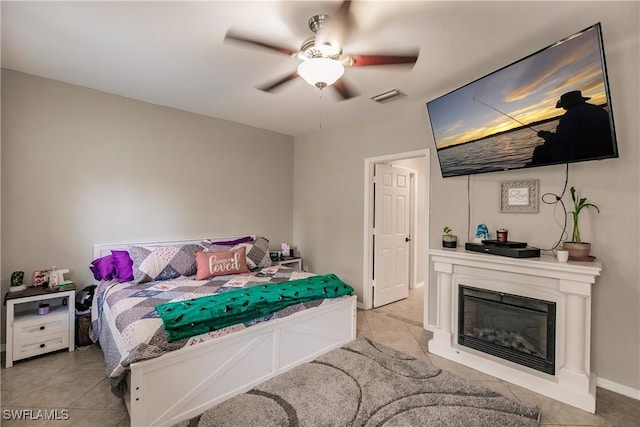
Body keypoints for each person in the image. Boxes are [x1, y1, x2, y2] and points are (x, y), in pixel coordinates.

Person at [529, 90, 612, 165]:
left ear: (565, 105)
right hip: (602, 146)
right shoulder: (598, 109)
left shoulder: (570, 116)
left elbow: (561, 138)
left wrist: (545, 135)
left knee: (539, 150)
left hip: (577, 152)